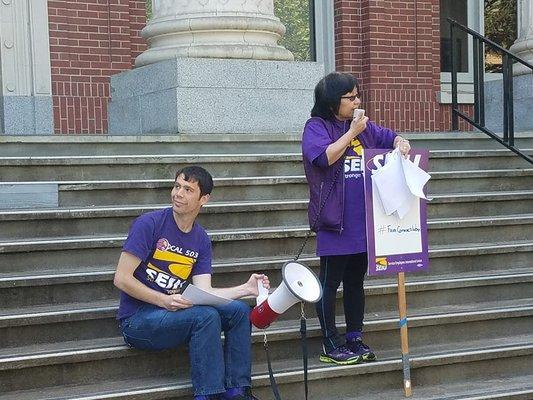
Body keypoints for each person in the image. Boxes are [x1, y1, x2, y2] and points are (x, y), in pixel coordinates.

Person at [114, 165, 269, 400]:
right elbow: (121, 279)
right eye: (177, 186)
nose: (178, 193)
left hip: (174, 315)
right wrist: (164, 300)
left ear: (204, 199)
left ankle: (237, 391)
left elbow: (204, 291)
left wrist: (245, 289)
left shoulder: (200, 239)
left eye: (188, 189)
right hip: (137, 320)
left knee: (238, 311)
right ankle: (208, 395)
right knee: (205, 316)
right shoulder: (149, 224)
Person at [301, 72, 410, 365]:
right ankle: (329, 342)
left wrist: (400, 141)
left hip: (363, 222)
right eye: (351, 97)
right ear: (332, 101)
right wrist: (351, 133)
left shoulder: (363, 127)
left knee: (355, 282)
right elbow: (324, 158)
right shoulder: (317, 127)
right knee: (329, 283)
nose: (357, 101)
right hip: (334, 223)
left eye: (357, 95)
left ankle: (354, 337)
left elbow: (389, 137)